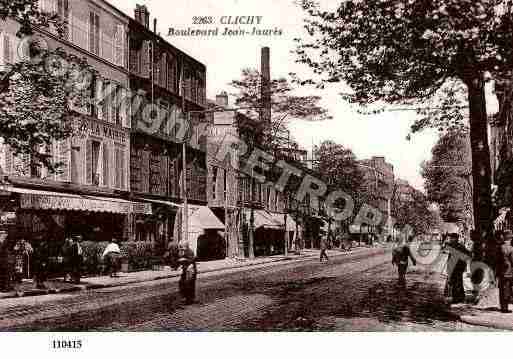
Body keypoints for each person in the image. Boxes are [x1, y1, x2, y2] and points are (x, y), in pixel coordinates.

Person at [444, 232, 469, 304]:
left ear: (456, 239)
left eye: (452, 238)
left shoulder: (459, 247)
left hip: (458, 268)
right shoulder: (454, 246)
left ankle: (457, 299)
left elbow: (466, 255)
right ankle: (459, 298)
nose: (450, 239)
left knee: (456, 283)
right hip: (454, 267)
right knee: (456, 282)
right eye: (450, 238)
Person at [497, 230, 513, 313]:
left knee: (503, 290)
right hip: (509, 271)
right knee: (507, 289)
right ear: (510, 237)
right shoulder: (511, 247)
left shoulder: (500, 247)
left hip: (502, 271)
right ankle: (505, 308)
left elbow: (497, 260)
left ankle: (503, 307)